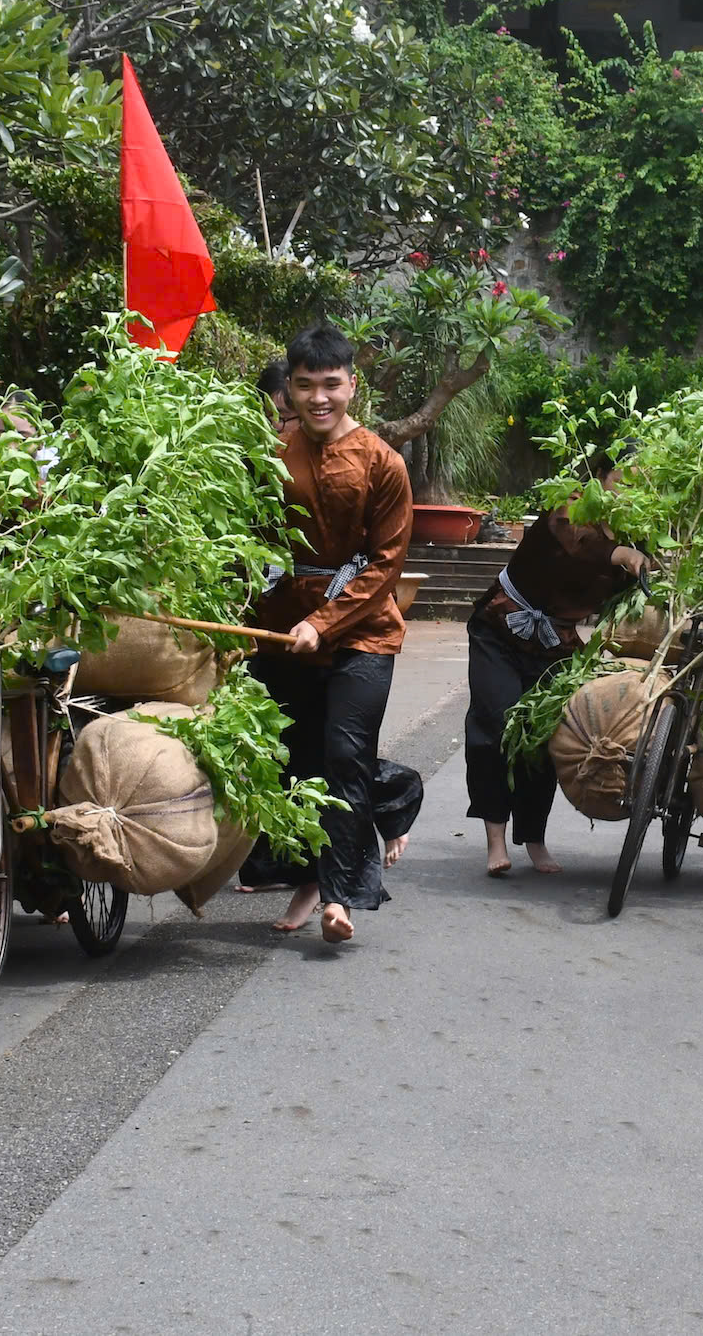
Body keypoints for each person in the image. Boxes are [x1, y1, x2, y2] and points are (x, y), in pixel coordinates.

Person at [248, 323, 412, 944]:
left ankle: (338, 896)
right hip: (280, 630)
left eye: (331, 385)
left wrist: (323, 623)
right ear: (289, 390)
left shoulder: (383, 462)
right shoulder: (266, 452)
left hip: (363, 633)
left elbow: (385, 561)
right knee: (292, 758)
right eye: (305, 385)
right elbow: (252, 539)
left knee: (345, 756)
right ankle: (311, 877)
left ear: (352, 385)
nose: (320, 398)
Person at [465, 457, 652, 879]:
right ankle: (495, 838)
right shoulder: (570, 503)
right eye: (628, 477)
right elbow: (577, 541)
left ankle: (534, 838)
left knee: (545, 736)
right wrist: (621, 553)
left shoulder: (642, 534)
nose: (634, 488)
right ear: (603, 477)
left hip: (557, 645)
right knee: (495, 725)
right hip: (500, 628)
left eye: (647, 483)